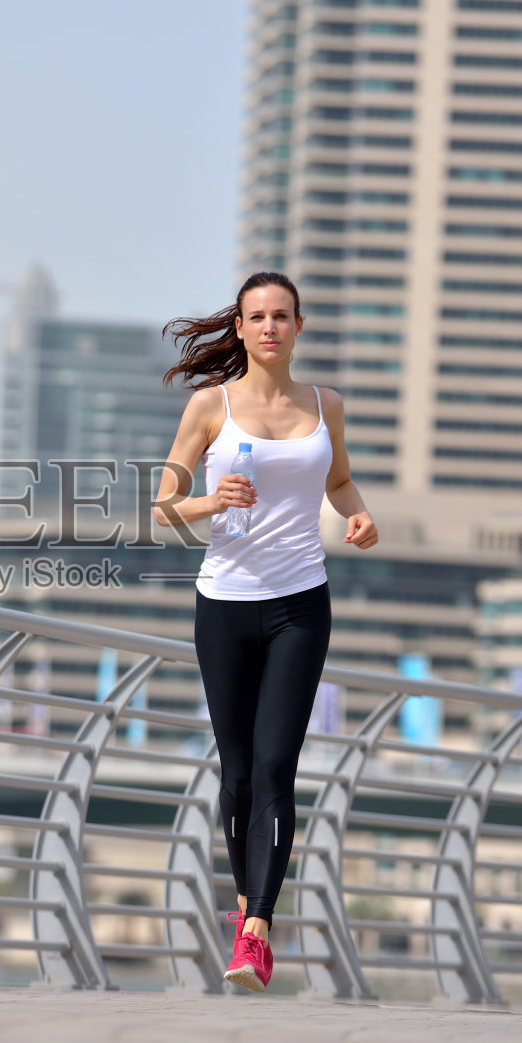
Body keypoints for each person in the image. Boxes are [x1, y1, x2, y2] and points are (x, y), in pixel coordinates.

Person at [152, 272, 378, 992]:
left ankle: (256, 933)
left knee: (278, 768)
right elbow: (162, 504)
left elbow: (339, 480)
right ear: (243, 329)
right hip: (224, 604)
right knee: (240, 773)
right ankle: (247, 895)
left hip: (300, 605)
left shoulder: (326, 406)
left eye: (283, 315)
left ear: (299, 326)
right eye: (258, 316)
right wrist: (210, 500)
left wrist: (358, 514)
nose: (271, 326)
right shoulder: (209, 407)